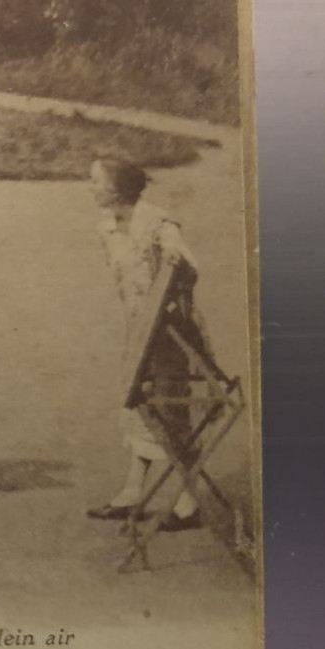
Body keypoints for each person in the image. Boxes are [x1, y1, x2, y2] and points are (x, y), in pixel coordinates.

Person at [85, 158, 208, 531]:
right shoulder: (106, 227)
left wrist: (173, 254)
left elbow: (186, 261)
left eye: (95, 182)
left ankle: (189, 503)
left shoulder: (157, 221)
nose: (90, 188)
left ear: (116, 190)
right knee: (138, 406)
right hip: (139, 331)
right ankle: (133, 491)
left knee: (171, 411)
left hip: (171, 333)